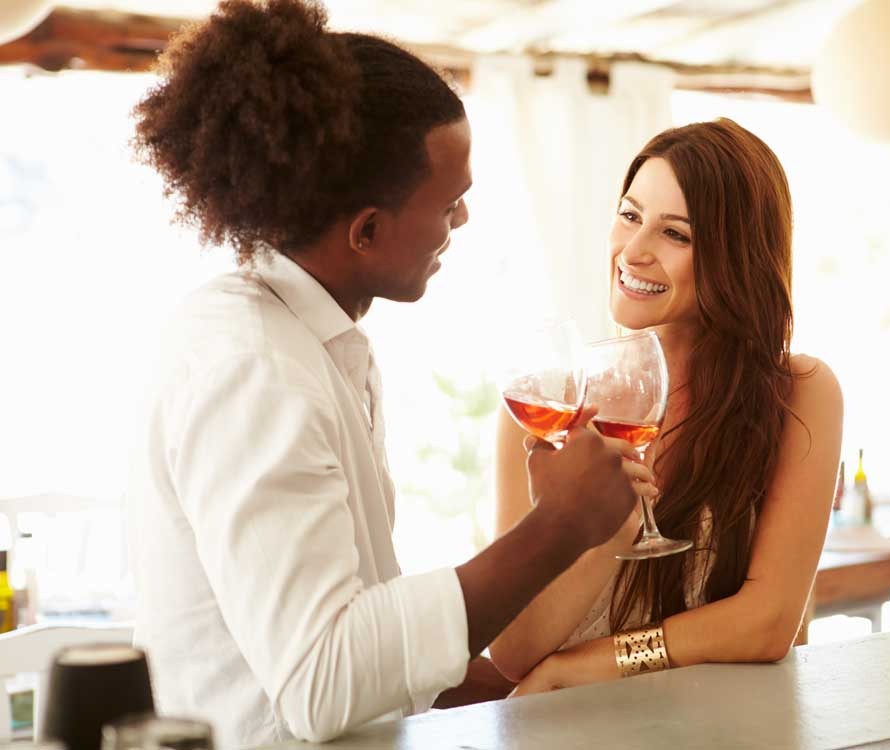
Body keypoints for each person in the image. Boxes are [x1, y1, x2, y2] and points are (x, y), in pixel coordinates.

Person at [126, 0, 640, 745]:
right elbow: (322, 679)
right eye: (450, 202)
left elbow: (365, 630)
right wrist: (559, 527)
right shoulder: (254, 371)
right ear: (366, 230)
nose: (460, 223)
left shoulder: (305, 339)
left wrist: (525, 686)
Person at [490, 119, 844, 693]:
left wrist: (580, 667)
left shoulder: (798, 392)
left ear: (738, 258)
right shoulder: (545, 405)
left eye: (674, 234)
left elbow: (769, 623)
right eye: (629, 216)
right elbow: (512, 650)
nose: (633, 251)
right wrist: (607, 534)